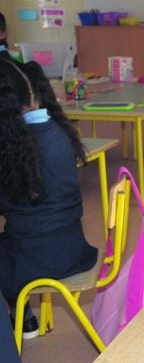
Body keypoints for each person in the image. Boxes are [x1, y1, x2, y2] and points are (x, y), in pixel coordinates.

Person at [0, 59, 97, 340]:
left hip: (37, 260)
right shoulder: (59, 132)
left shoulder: (15, 148)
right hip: (73, 248)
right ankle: (25, 319)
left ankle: (17, 325)